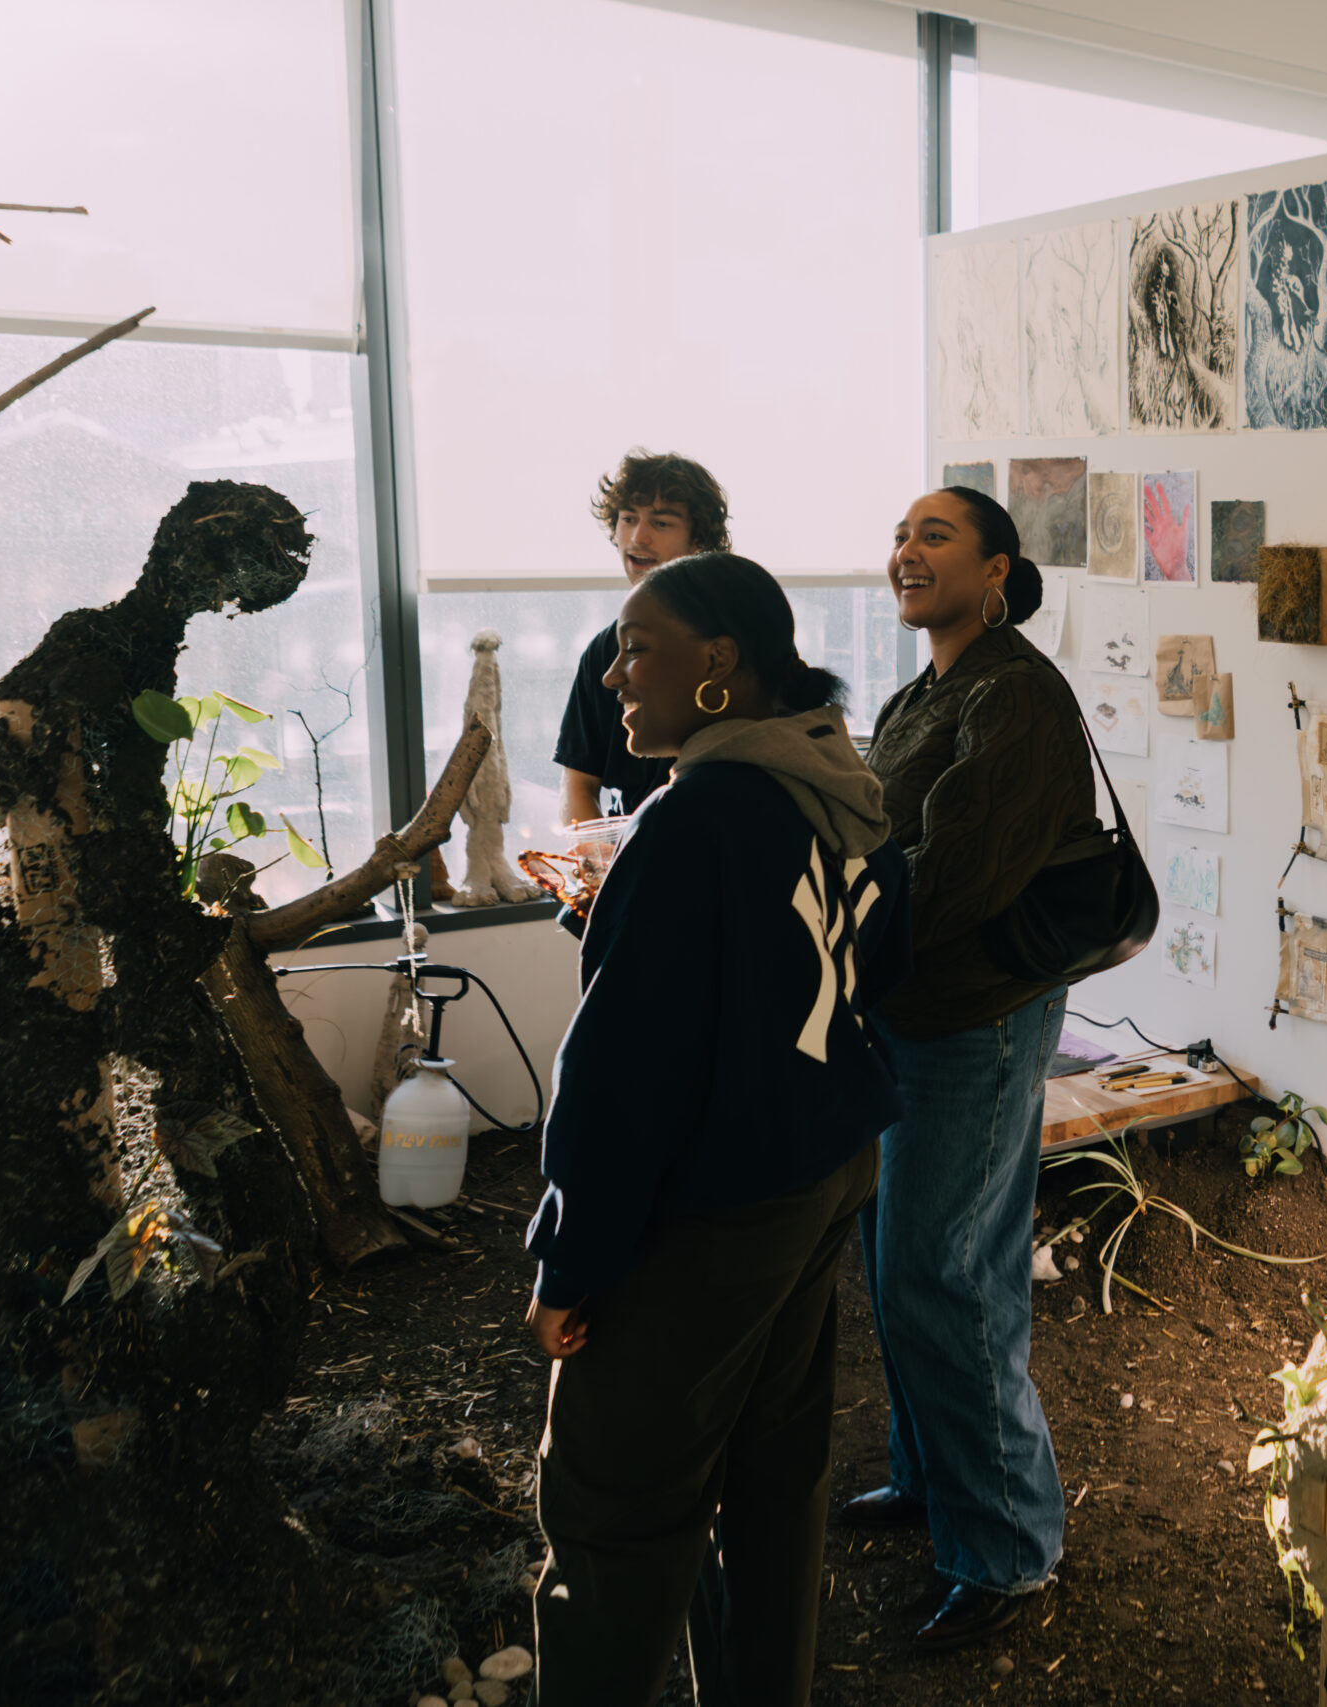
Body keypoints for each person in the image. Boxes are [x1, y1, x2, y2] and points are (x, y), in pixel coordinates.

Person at [522, 551, 908, 1707]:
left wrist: (569, 1259)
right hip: (820, 1161)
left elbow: (623, 1077)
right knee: (769, 1480)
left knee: (619, 1509)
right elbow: (861, 957)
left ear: (720, 665)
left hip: (715, 1201)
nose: (613, 669)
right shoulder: (830, 784)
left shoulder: (694, 822)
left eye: (639, 644)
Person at [843, 486, 1100, 1651]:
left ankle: (1003, 1549)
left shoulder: (1017, 697)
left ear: (996, 570)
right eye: (901, 536)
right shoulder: (922, 690)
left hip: (975, 1023)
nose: (906, 553)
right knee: (901, 1258)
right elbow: (876, 836)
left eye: (933, 536)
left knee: (942, 1274)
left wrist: (837, 935)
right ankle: (934, 1475)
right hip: (903, 1010)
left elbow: (953, 876)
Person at [555, 450, 731, 824]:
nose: (638, 537)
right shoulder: (604, 650)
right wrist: (604, 868)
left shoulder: (736, 637)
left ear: (698, 540)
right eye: (628, 519)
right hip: (628, 856)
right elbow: (577, 784)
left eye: (662, 523)